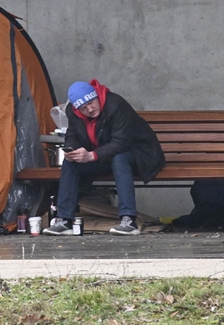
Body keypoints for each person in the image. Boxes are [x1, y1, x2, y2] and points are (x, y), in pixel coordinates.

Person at [43, 80, 165, 236]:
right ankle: (64, 220)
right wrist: (72, 151)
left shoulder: (115, 104)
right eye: (83, 108)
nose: (90, 109)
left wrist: (92, 155)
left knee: (119, 158)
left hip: (141, 154)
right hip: (105, 156)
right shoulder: (72, 113)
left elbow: (122, 143)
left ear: (96, 96)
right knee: (70, 162)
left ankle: (129, 220)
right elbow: (72, 136)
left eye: (91, 103)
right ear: (77, 109)